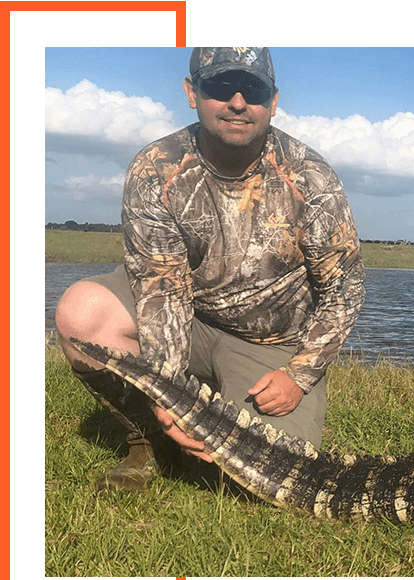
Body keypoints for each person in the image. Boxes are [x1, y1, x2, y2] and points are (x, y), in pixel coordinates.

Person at [55, 47, 366, 492]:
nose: (238, 102)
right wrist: (170, 394)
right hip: (190, 317)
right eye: (220, 86)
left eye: (253, 90)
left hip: (271, 341)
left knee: (268, 477)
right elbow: (161, 289)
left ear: (273, 102)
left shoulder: (311, 177)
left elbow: (344, 290)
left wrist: (298, 375)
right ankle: (149, 442)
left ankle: (222, 405)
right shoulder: (155, 169)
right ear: (191, 92)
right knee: (82, 313)